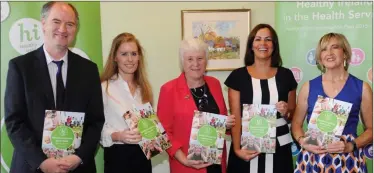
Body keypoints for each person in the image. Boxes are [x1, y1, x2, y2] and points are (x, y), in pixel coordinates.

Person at [4, 2, 105, 173]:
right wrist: (41, 161)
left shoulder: (89, 70)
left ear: (76, 28)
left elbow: (95, 121)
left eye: (70, 24)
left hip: (77, 167)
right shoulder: (20, 67)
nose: (63, 29)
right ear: (43, 23)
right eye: (56, 22)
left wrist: (78, 157)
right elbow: (14, 122)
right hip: (32, 167)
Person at [292, 32, 373, 173]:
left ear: (345, 53)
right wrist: (302, 141)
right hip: (313, 159)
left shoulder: (362, 87)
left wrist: (350, 146)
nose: (329, 53)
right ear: (319, 57)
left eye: (335, 47)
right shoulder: (308, 87)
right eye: (324, 49)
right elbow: (296, 124)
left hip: (348, 160)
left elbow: (371, 129)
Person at [225, 23, 297, 173]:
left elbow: (292, 115)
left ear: (274, 45)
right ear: (251, 45)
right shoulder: (237, 76)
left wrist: (286, 111)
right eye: (258, 39)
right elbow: (236, 117)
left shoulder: (286, 76)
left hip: (280, 148)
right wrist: (237, 149)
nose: (263, 44)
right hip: (245, 147)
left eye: (268, 39)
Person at [157, 38, 236, 173]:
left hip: (216, 165)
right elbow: (161, 133)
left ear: (206, 61)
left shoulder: (215, 84)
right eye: (190, 59)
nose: (196, 64)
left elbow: (220, 120)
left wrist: (227, 124)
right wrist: (183, 159)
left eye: (200, 58)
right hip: (186, 166)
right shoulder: (169, 89)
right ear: (182, 62)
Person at [99, 32, 153, 173]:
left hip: (143, 158)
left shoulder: (144, 89)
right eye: (124, 54)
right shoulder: (105, 88)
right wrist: (118, 136)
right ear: (115, 57)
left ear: (139, 57)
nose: (130, 59)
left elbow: (149, 127)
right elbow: (95, 129)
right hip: (118, 158)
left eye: (134, 54)